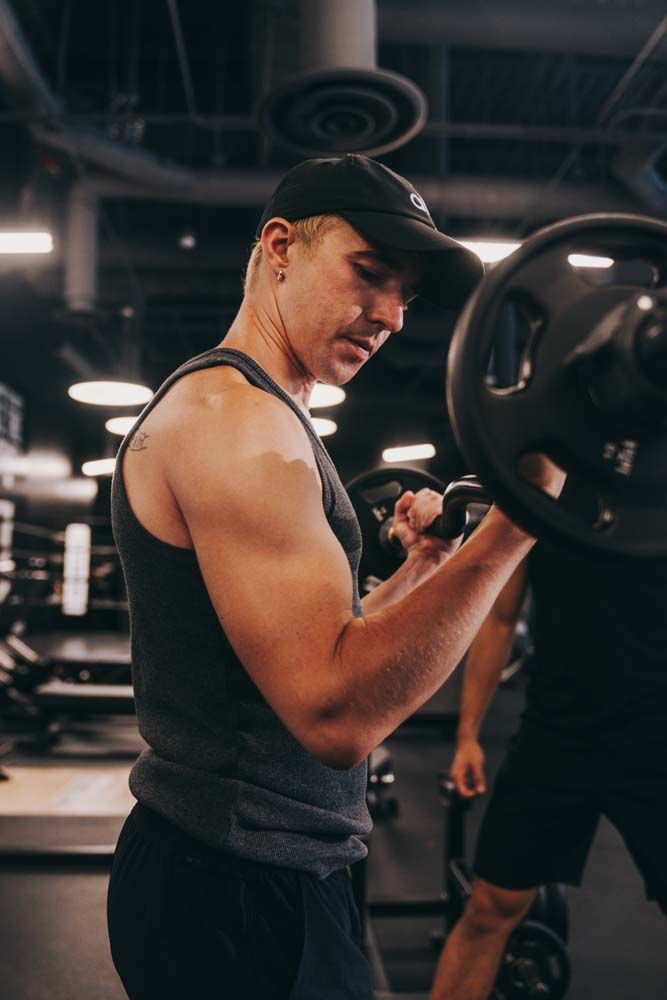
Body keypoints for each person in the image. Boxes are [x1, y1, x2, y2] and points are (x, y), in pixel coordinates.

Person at [106, 153, 560, 1000]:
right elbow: (334, 712)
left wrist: (426, 565)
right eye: (369, 273)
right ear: (280, 247)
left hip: (261, 866)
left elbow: (327, 646)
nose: (389, 315)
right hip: (235, 888)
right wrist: (514, 530)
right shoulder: (236, 425)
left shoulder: (267, 416)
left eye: (405, 294)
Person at [430, 478, 667, 1000]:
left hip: (657, 739)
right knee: (488, 910)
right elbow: (500, 619)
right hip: (559, 733)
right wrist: (467, 735)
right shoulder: (542, 484)